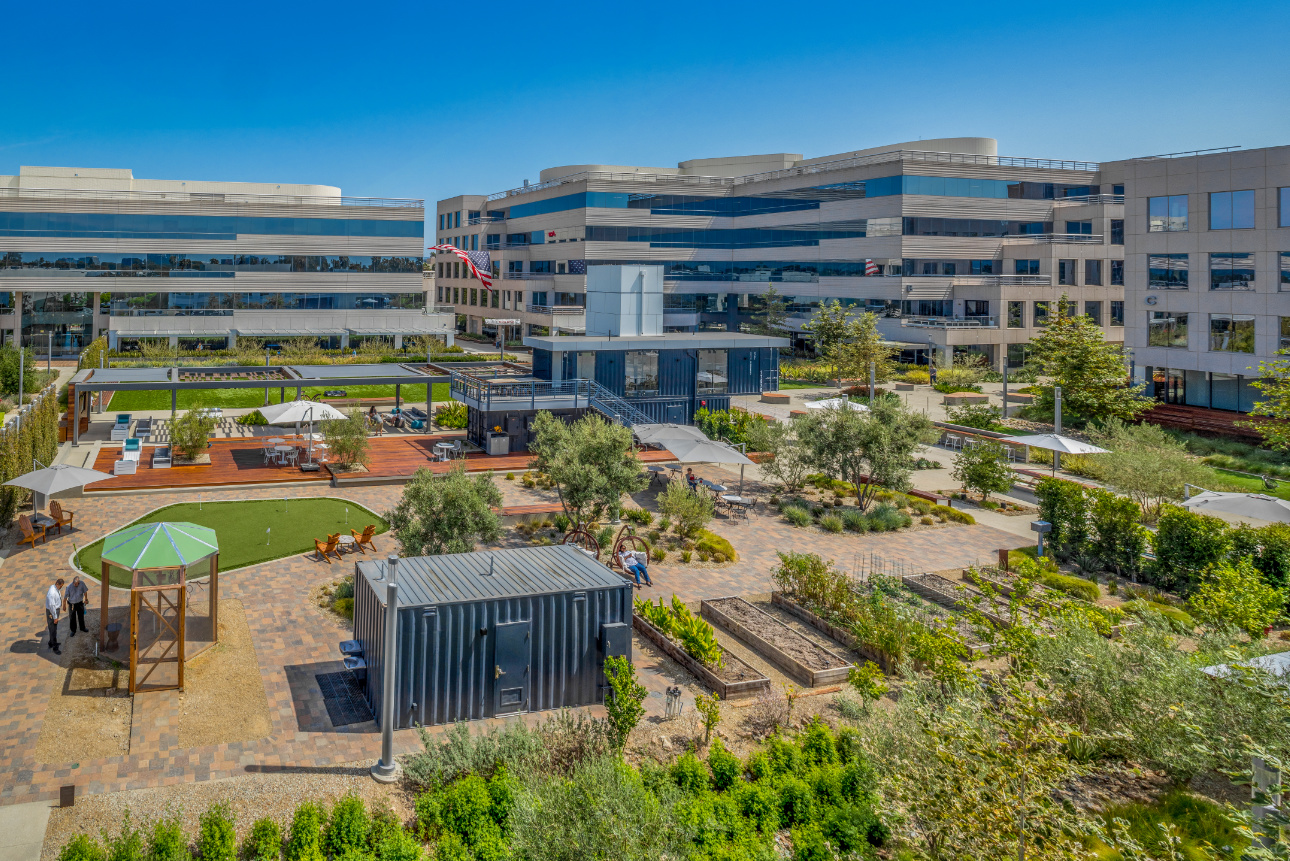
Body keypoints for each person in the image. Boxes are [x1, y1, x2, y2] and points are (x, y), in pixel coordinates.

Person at [45, 578, 65, 655]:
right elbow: (52, 606)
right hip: (52, 612)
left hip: (55, 610)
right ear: (57, 584)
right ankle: (54, 646)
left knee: (53, 627)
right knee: (53, 629)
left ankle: (51, 642)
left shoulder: (54, 587)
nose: (61, 587)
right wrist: (55, 617)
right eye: (61, 586)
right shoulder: (52, 593)